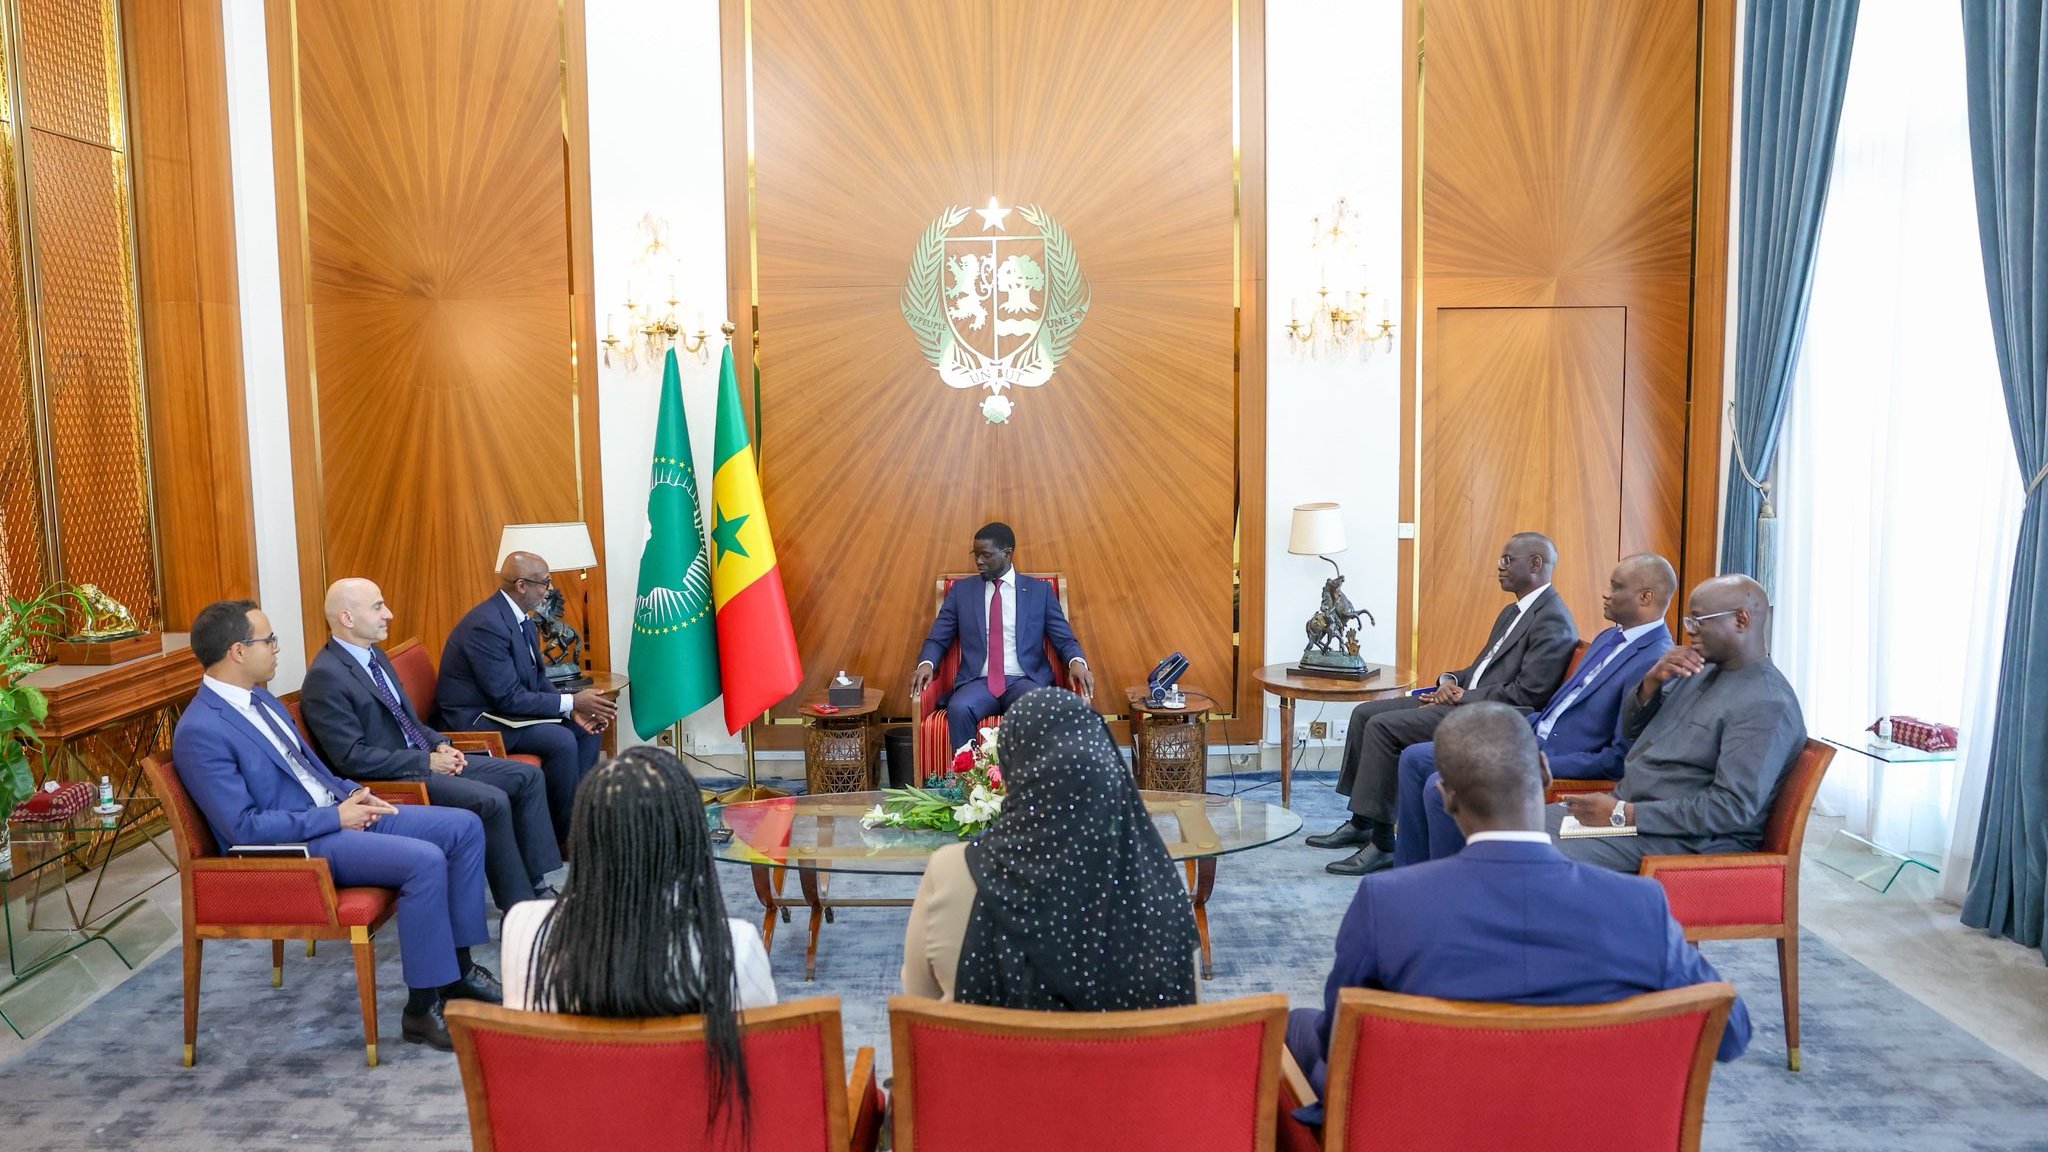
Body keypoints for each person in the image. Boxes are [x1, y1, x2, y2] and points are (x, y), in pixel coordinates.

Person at [1286, 703, 1749, 1126]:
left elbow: (1340, 1046)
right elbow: (1729, 1034)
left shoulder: (1385, 903)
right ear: (1545, 773)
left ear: (1446, 798)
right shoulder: (1641, 907)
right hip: (1583, 1129)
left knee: (1292, 1029)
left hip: (1433, 1126)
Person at [170, 599, 498, 1051]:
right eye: (269, 640)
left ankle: (456, 973)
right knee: (424, 861)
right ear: (238, 651)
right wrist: (334, 816)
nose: (277, 648)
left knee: (463, 827)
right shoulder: (201, 730)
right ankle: (422, 1009)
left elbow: (309, 767)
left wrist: (350, 792)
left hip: (336, 814)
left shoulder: (262, 697)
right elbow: (244, 828)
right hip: (299, 846)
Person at [499, 747, 774, 1138]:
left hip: (569, 1135)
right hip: (692, 1135)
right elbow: (757, 1074)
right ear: (687, 839)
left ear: (584, 834)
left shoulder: (524, 928)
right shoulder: (731, 943)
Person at [900, 687, 1199, 1009]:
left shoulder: (951, 872)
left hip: (988, 1057)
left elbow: (920, 1008)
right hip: (1130, 1060)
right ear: (1108, 771)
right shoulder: (1157, 886)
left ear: (1013, 771)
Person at [1312, 531, 1578, 876]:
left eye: (1508, 560)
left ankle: (1383, 844)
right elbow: (1481, 669)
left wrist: (1462, 697)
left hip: (1489, 716)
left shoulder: (1552, 620)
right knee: (1364, 713)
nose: (1499, 566)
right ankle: (1362, 820)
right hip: (1464, 699)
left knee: (1383, 728)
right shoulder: (1513, 612)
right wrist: (1450, 679)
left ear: (1536, 564)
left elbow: (1528, 695)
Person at [1393, 553, 1678, 865]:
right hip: (1529, 735)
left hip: (1555, 760)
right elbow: (1561, 707)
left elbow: (1617, 758)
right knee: (1414, 759)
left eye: (1616, 586)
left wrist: (1535, 762)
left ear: (1645, 597)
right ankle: (1410, 873)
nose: (1606, 593)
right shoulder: (1609, 636)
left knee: (1441, 787)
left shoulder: (1654, 662)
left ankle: (1451, 888)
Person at [301, 577, 562, 910]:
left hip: (423, 759)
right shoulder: (327, 676)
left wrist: (440, 744)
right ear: (348, 619)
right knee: (492, 801)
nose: (389, 614)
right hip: (394, 777)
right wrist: (426, 762)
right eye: (378, 606)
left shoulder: (375, 657)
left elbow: (408, 720)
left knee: (526, 777)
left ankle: (535, 880)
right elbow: (351, 759)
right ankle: (518, 904)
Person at [1554, 573, 1806, 870]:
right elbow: (1633, 733)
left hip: (1686, 840)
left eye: (1699, 621)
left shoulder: (1766, 702)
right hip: (1633, 813)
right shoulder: (1698, 668)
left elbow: (1732, 809)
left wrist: (1626, 814)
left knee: (1527, 857)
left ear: (1741, 619)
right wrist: (1650, 682)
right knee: (1504, 825)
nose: (1689, 632)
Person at [436, 551, 617, 849]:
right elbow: (507, 698)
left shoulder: (522, 620)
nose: (549, 589)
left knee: (586, 731)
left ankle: (579, 821)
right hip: (476, 719)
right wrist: (571, 704)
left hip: (503, 709)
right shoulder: (486, 625)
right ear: (521, 585)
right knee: (559, 740)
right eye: (544, 583)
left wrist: (572, 712)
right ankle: (563, 839)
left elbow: (537, 680)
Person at [910, 522, 1095, 754]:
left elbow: (1064, 638)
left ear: (1007, 554)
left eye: (986, 555)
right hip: (979, 682)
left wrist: (1076, 662)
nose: (978, 561)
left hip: (1025, 680)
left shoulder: (1039, 592)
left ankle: (1028, 782)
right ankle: (970, 782)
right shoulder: (962, 592)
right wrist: (926, 663)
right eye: (975, 555)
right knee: (959, 707)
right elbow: (938, 637)